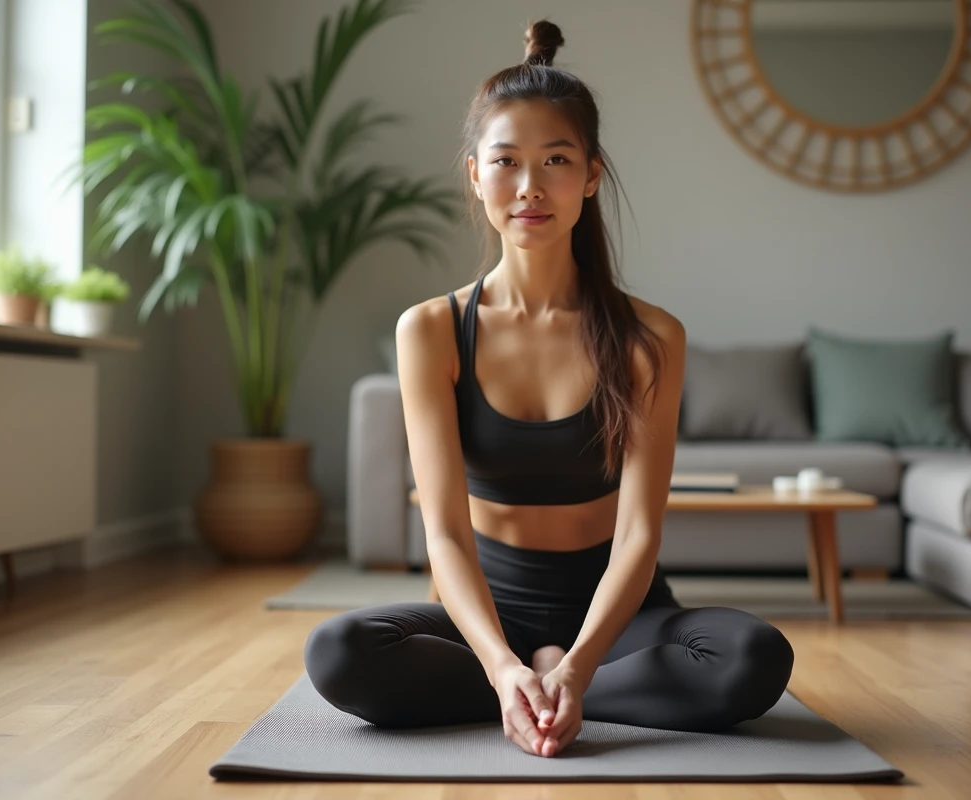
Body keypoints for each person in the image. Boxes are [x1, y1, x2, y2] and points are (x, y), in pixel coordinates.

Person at [304, 19, 794, 759]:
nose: (530, 187)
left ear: (591, 175)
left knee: (755, 658)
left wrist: (579, 662)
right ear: (475, 174)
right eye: (506, 162)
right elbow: (442, 531)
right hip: (486, 618)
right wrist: (502, 663)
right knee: (338, 651)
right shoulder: (432, 330)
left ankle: (558, 689)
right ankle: (523, 689)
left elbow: (638, 534)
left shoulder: (650, 337)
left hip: (618, 619)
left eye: (556, 160)